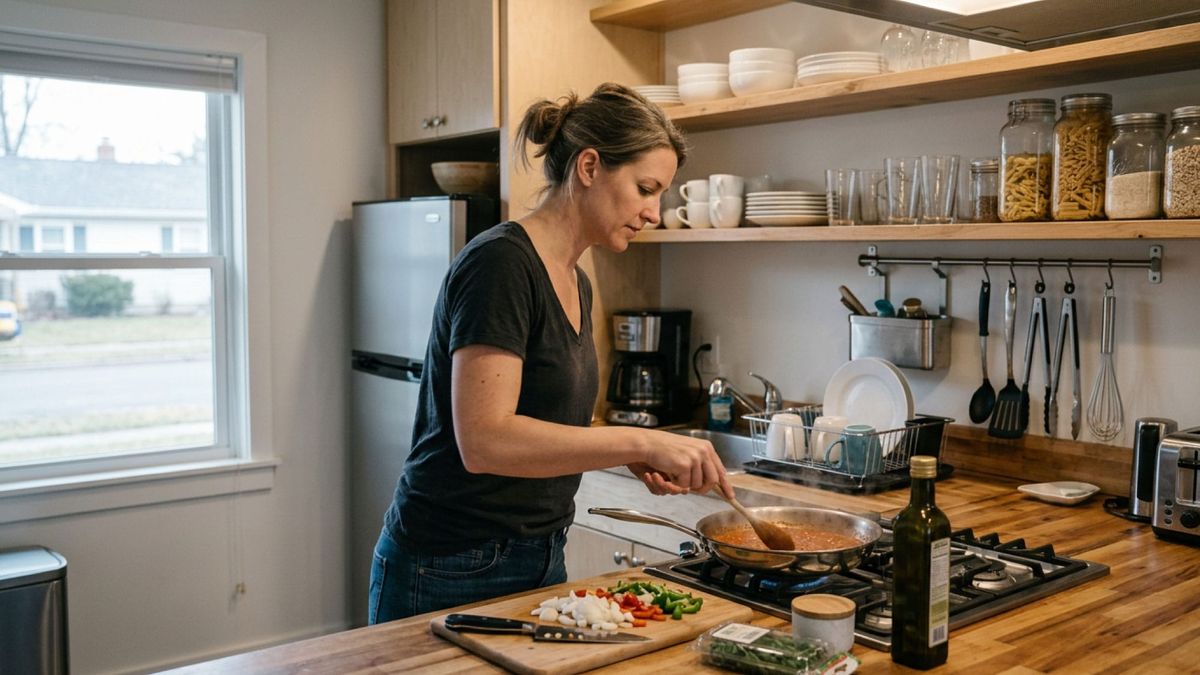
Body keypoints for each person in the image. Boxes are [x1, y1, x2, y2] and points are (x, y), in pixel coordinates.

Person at [367, 82, 733, 623]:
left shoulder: (575, 280)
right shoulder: (501, 266)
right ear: (589, 167)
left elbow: (544, 415)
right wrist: (636, 439)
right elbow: (485, 441)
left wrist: (624, 452)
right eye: (645, 188)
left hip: (539, 554)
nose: (654, 213)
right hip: (451, 563)